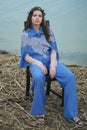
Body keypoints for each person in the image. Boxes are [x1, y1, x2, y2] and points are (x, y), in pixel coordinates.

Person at [19, 6, 83, 126]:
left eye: (39, 16)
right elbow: (26, 55)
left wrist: (53, 65)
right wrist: (38, 63)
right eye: (34, 15)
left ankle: (71, 113)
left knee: (70, 77)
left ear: (42, 18)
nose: (37, 18)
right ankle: (40, 112)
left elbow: (53, 50)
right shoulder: (25, 34)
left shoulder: (48, 31)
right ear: (30, 17)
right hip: (35, 62)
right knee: (38, 77)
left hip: (50, 61)